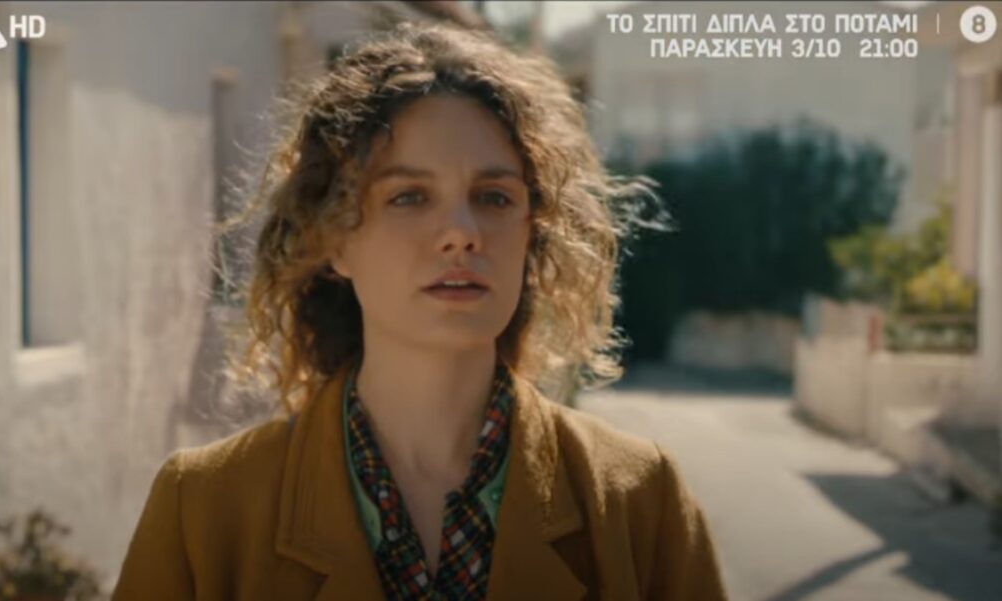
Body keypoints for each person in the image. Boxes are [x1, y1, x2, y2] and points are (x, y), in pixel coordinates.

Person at [112, 20, 727, 601]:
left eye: (493, 197)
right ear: (334, 240)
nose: (461, 233)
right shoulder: (203, 510)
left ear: (532, 234)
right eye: (409, 196)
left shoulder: (640, 502)